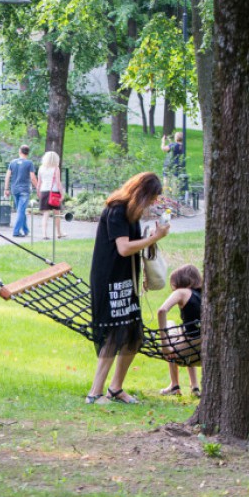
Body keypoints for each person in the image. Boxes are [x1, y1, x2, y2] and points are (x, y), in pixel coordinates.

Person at [86, 172, 169, 404]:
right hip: (109, 280)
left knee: (134, 334)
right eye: (152, 197)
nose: (153, 202)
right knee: (113, 334)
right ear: (141, 193)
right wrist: (154, 238)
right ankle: (95, 393)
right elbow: (123, 248)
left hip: (126, 279)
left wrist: (150, 238)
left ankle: (115, 388)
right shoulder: (117, 210)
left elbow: (131, 246)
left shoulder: (132, 212)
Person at [156, 264, 202, 398]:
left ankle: (174, 385)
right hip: (204, 349)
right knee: (186, 331)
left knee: (170, 324)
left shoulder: (182, 292)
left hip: (185, 352)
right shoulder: (206, 293)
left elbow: (161, 311)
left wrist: (165, 345)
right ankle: (195, 387)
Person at [4, 145, 39, 238]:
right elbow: (32, 178)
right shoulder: (29, 163)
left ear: (20, 151)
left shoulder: (12, 162)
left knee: (21, 210)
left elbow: (7, 176)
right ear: (28, 153)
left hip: (14, 190)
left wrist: (6, 189)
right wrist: (38, 188)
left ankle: (26, 230)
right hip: (24, 190)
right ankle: (16, 231)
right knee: (21, 211)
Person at [37, 151, 65, 240]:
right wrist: (62, 194)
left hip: (44, 191)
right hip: (54, 192)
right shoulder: (56, 168)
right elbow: (58, 183)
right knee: (57, 214)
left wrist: (38, 192)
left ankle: (44, 234)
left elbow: (39, 183)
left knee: (45, 214)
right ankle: (58, 233)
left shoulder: (41, 168)